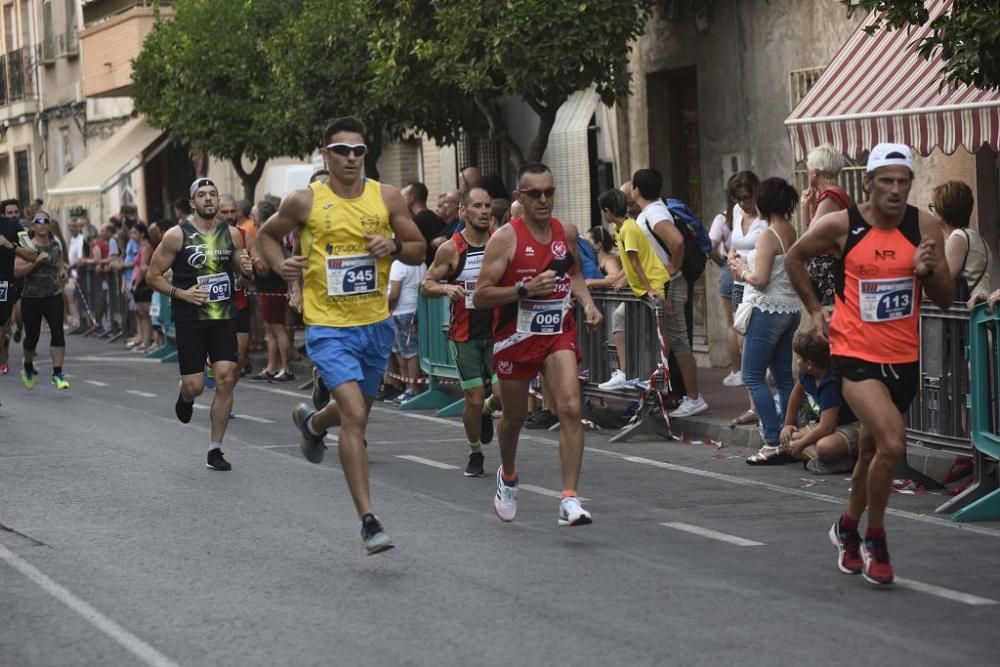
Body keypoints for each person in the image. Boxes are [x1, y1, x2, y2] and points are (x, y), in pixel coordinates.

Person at [785, 143, 953, 586]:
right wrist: (815, 310)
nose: (896, 191)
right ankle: (875, 538)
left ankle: (846, 526)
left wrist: (926, 272)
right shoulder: (843, 225)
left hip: (903, 359)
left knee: (870, 452)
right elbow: (793, 257)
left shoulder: (924, 226)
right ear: (868, 183)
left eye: (903, 182)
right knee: (893, 445)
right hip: (855, 357)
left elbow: (947, 298)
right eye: (887, 182)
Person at [257, 116, 426, 555]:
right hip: (329, 327)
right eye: (342, 151)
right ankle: (369, 521)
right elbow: (266, 236)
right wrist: (280, 265)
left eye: (359, 151)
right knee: (354, 414)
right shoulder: (304, 201)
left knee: (352, 412)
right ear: (325, 154)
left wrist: (395, 247)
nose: (352, 158)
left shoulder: (386, 197)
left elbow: (418, 247)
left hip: (375, 325)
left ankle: (313, 424)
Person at [474, 162, 602, 526]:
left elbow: (573, 271)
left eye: (549, 192)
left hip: (556, 333)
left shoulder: (565, 232)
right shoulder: (505, 239)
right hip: (516, 337)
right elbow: (481, 295)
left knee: (571, 408)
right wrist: (523, 290)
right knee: (514, 418)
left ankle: (569, 499)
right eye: (535, 194)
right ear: (520, 198)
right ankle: (509, 476)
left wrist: (588, 303)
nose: (544, 200)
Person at [146, 178, 253, 472]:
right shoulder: (176, 235)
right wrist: (180, 293)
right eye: (202, 195)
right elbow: (152, 275)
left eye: (213, 194)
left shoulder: (232, 235)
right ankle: (185, 393)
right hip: (190, 319)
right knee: (196, 386)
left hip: (222, 317)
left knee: (227, 377)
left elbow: (243, 276)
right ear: (192, 203)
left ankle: (215, 449)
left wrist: (246, 271)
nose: (208, 199)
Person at [421, 186, 503, 476]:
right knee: (474, 397)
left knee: (502, 394)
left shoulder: (501, 241)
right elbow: (426, 283)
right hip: (464, 335)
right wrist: (445, 287)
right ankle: (475, 453)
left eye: (487, 205)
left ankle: (485, 413)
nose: (484, 211)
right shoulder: (451, 249)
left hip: (498, 332)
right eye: (477, 206)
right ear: (463, 212)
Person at [728, 178, 801, 465]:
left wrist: (741, 268)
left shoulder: (769, 235)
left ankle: (772, 441)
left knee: (752, 375)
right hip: (790, 309)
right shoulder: (790, 230)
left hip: (768, 310)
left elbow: (760, 279)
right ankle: (788, 436)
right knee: (783, 375)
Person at [631, 168, 707, 418]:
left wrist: (673, 267)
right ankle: (676, 394)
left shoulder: (653, 212)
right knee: (670, 341)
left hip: (671, 284)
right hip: (665, 284)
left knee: (678, 340)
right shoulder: (652, 211)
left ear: (637, 190)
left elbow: (677, 241)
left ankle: (694, 397)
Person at [596, 188, 668, 390]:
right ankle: (627, 373)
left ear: (608, 210)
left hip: (652, 285)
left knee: (654, 334)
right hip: (642, 288)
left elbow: (636, 262)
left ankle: (651, 379)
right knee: (621, 319)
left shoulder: (628, 228)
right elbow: (630, 262)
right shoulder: (620, 229)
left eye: (603, 211)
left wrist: (648, 288)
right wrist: (621, 279)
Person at [780, 331, 860, 475]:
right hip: (834, 425)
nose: (797, 360)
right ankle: (836, 462)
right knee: (789, 439)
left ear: (809, 364)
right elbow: (796, 396)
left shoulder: (830, 383)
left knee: (825, 447)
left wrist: (801, 445)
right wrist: (788, 424)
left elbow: (826, 427)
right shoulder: (807, 374)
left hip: (854, 425)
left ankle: (841, 459)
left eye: (798, 357)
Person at [727, 170, 768, 427]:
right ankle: (754, 405)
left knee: (755, 344)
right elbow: (733, 244)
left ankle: (763, 406)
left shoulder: (765, 219)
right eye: (739, 198)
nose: (743, 203)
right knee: (742, 343)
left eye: (747, 197)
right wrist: (731, 258)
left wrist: (745, 266)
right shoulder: (736, 212)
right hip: (737, 284)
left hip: (755, 285)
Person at [14, 211, 69, 390]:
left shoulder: (55, 245)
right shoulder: (27, 247)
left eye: (46, 221)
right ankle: (28, 366)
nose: (43, 224)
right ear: (33, 226)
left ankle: (58, 373)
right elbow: (17, 271)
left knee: (58, 332)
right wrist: (36, 261)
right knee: (32, 337)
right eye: (38, 221)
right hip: (31, 298)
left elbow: (60, 263)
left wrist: (63, 272)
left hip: (53, 296)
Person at [800, 145, 852, 309]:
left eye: (808, 169)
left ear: (815, 172)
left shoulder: (830, 198)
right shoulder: (831, 196)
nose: (807, 173)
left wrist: (805, 207)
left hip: (829, 271)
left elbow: (810, 237)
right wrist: (806, 206)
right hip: (827, 270)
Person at [250, 199, 294, 383]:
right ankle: (271, 366)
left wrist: (252, 261)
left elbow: (265, 268)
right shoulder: (272, 234)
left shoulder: (264, 236)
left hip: (271, 287)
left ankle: (286, 368)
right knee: (271, 329)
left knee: (277, 328)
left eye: (253, 214)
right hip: (268, 287)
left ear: (260, 216)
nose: (252, 217)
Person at [932, 181, 992, 302]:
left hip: (966, 314)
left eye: (934, 207)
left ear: (944, 211)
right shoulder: (975, 236)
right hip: (980, 311)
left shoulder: (959, 238)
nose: (932, 212)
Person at [709, 177, 742, 386]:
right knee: (750, 321)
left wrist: (721, 262)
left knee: (732, 324)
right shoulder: (752, 217)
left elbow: (710, 246)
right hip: (749, 268)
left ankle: (737, 370)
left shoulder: (721, 219)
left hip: (729, 270)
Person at [0, 204, 38, 376]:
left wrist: (11, 246)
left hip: (4, 284)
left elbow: (32, 253)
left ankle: (3, 348)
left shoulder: (13, 227)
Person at [388, 254, 427, 403]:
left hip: (401, 310)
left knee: (409, 352)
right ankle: (409, 388)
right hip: (415, 308)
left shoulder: (398, 264)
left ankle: (413, 390)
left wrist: (386, 308)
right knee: (404, 351)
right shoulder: (420, 262)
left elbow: (394, 293)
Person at [401, 181, 445, 266]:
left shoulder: (415, 221)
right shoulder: (436, 218)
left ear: (411, 198)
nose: (400, 201)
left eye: (403, 197)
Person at [129, 223, 155, 351]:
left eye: (134, 233)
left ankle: (149, 341)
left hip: (143, 283)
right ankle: (145, 340)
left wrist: (136, 284)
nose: (132, 236)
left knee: (146, 313)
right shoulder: (140, 247)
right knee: (141, 314)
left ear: (142, 233)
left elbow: (142, 267)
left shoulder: (146, 248)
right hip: (138, 282)